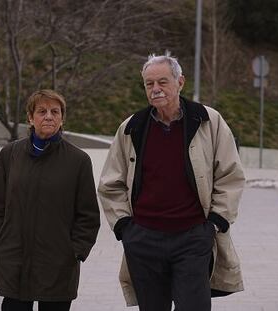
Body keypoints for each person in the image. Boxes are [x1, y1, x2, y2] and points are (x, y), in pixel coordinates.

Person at [97, 53, 245, 311]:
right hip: (143, 241)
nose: (155, 89)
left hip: (192, 238)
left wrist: (214, 224)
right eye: (149, 84)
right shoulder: (132, 128)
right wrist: (125, 227)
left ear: (180, 82)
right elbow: (110, 183)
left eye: (163, 82)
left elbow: (230, 175)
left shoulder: (208, 121)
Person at [0, 89, 100, 311]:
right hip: (14, 261)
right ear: (30, 117)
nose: (49, 116)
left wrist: (75, 251)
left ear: (62, 118)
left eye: (55, 111)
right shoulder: (10, 155)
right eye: (42, 111)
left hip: (58, 264)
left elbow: (88, 215)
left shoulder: (79, 160)